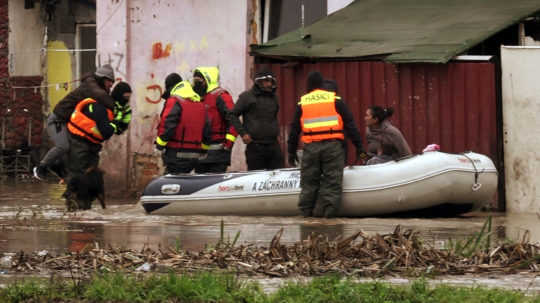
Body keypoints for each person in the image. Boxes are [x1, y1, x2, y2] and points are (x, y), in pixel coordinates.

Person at [288, 71, 365, 218]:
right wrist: (360, 148)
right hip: (333, 147)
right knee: (332, 183)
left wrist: (291, 152)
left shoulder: (303, 102)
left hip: (311, 148)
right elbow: (350, 125)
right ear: (322, 84)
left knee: (308, 183)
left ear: (309, 85)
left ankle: (306, 219)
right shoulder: (335, 100)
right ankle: (328, 220)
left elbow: (294, 130)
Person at [34, 64, 119, 180]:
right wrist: (117, 106)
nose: (111, 85)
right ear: (103, 79)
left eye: (112, 83)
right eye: (110, 82)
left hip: (68, 122)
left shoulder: (95, 87)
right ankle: (40, 168)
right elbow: (102, 96)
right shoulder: (91, 86)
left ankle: (57, 167)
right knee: (63, 146)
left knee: (73, 149)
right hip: (57, 120)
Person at [63, 81, 133, 210]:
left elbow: (118, 129)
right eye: (125, 96)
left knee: (90, 176)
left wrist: (120, 121)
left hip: (92, 145)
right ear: (118, 95)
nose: (126, 100)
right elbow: (106, 132)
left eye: (128, 97)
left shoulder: (118, 109)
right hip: (79, 142)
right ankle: (73, 205)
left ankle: (84, 207)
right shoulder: (102, 106)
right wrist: (116, 122)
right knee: (79, 174)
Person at [228, 69, 283, 170]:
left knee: (278, 176)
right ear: (259, 82)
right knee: (256, 178)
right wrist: (243, 133)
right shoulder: (247, 97)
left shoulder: (274, 97)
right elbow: (232, 115)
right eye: (266, 81)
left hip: (273, 145)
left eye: (271, 81)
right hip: (255, 146)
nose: (269, 84)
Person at [155, 81, 211, 174]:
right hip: (194, 156)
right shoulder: (201, 106)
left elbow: (168, 126)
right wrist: (204, 150)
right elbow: (207, 131)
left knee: (170, 184)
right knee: (186, 183)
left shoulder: (174, 101)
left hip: (176, 154)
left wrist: (159, 146)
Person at [191, 67, 238, 173]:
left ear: (208, 80)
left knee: (214, 186)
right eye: (195, 81)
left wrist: (228, 144)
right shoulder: (197, 97)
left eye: (199, 81)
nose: (196, 84)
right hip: (200, 154)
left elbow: (234, 121)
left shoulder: (221, 96)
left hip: (218, 154)